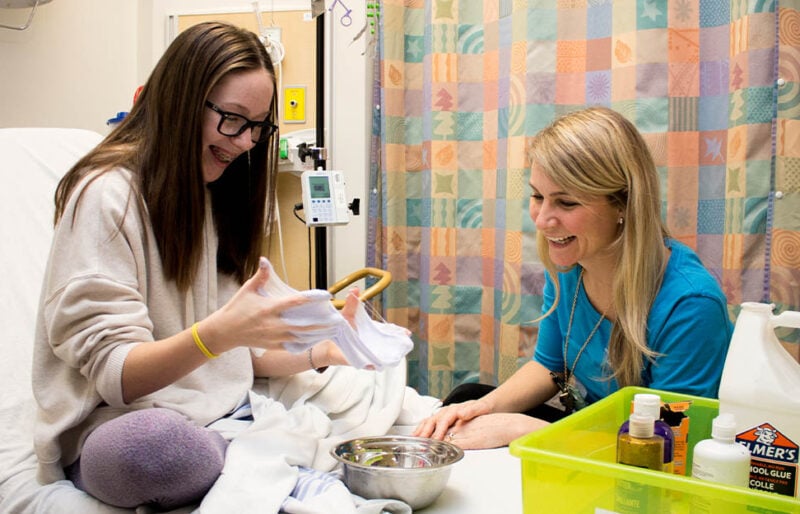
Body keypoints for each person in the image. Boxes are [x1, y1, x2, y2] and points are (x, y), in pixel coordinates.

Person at [31, 21, 354, 510]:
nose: (246, 142)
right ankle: (272, 471)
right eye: (233, 119)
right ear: (180, 102)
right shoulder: (106, 197)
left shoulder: (212, 196)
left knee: (368, 382)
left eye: (258, 126)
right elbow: (118, 377)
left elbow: (233, 359)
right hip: (115, 425)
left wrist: (328, 350)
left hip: (218, 416)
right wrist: (218, 334)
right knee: (145, 449)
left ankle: (253, 464)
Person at [414, 106, 733, 450]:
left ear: (623, 205)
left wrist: (524, 430)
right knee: (468, 397)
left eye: (565, 203)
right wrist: (483, 407)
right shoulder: (570, 264)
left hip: (652, 448)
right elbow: (551, 368)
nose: (541, 220)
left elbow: (668, 443)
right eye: (538, 197)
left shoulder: (690, 305)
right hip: (601, 426)